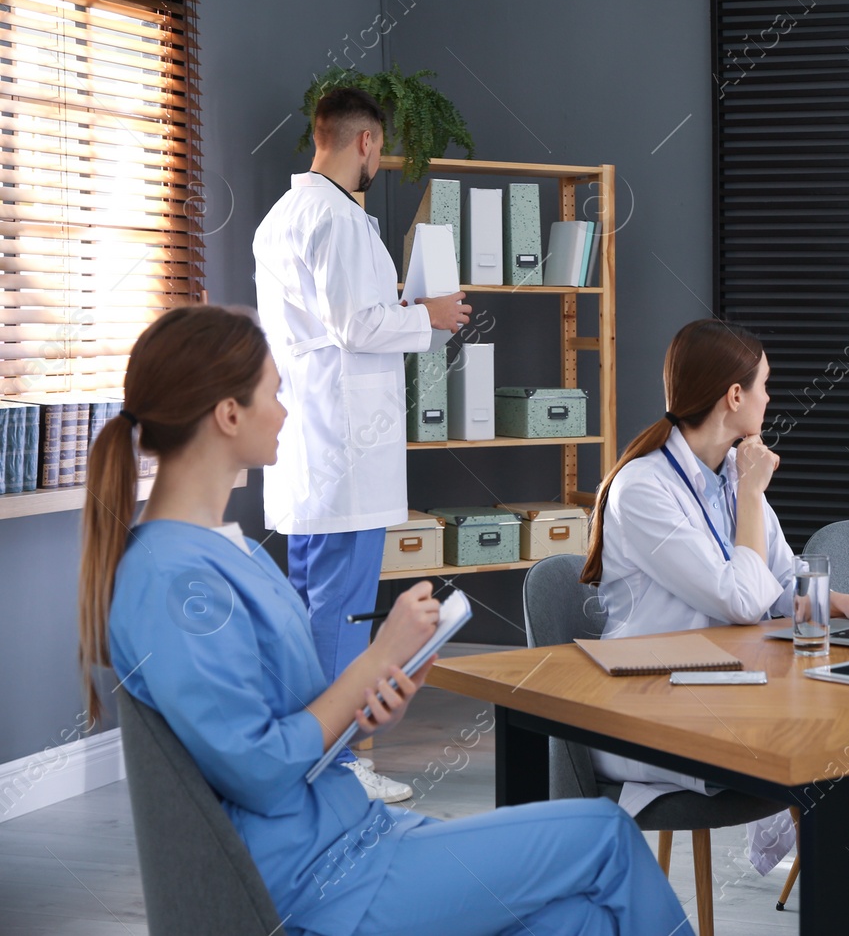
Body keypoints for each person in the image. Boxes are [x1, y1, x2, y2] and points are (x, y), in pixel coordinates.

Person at [77, 304, 687, 936]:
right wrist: (372, 659)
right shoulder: (176, 581)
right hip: (321, 877)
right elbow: (256, 769)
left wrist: (371, 699)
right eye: (274, 393)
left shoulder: (225, 551)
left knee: (579, 922)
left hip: (352, 835)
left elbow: (286, 724)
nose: (285, 411)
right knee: (608, 836)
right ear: (228, 416)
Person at [581, 318, 849, 934]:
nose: (769, 400)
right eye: (765, 387)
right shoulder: (644, 488)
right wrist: (753, 495)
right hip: (648, 702)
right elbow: (742, 602)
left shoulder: (730, 474)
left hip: (720, 685)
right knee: (830, 757)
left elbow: (779, 579)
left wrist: (841, 602)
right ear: (734, 396)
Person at [253, 88, 470, 802]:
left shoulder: (280, 218)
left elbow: (334, 322)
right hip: (346, 452)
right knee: (343, 618)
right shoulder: (341, 221)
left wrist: (401, 310)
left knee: (309, 612)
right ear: (366, 144)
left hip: (309, 450)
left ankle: (302, 759)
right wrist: (428, 314)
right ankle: (338, 768)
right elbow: (357, 326)